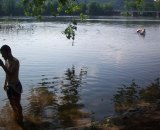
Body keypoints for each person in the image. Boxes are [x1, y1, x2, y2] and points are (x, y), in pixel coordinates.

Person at [0, 45, 23, 126]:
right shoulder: (6, 61)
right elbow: (7, 75)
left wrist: (2, 65)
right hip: (9, 86)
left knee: (17, 104)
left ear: (8, 52)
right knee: (11, 103)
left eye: (3, 54)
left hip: (16, 86)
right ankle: (15, 115)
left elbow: (11, 74)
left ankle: (20, 118)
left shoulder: (15, 61)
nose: (2, 56)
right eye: (1, 54)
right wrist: (5, 84)